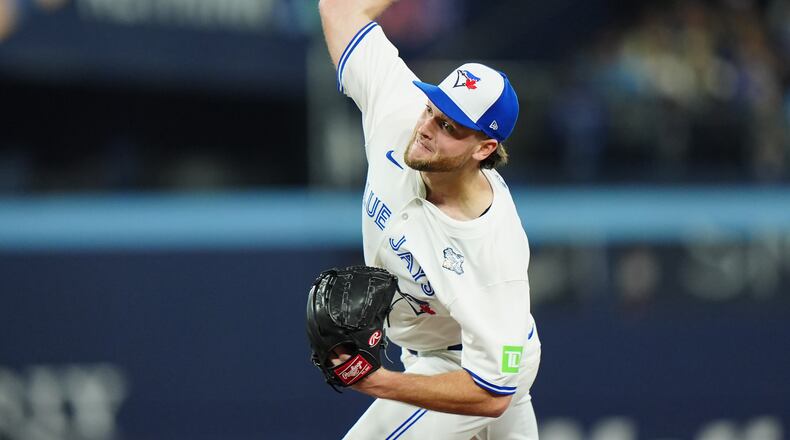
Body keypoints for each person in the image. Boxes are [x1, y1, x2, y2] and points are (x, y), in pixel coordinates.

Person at [318, 1, 541, 438]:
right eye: (432, 109)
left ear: (483, 149)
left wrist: (377, 382)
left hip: (473, 367)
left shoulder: (490, 248)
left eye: (450, 127)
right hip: (427, 351)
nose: (426, 128)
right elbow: (339, 9)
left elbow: (492, 393)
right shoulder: (400, 113)